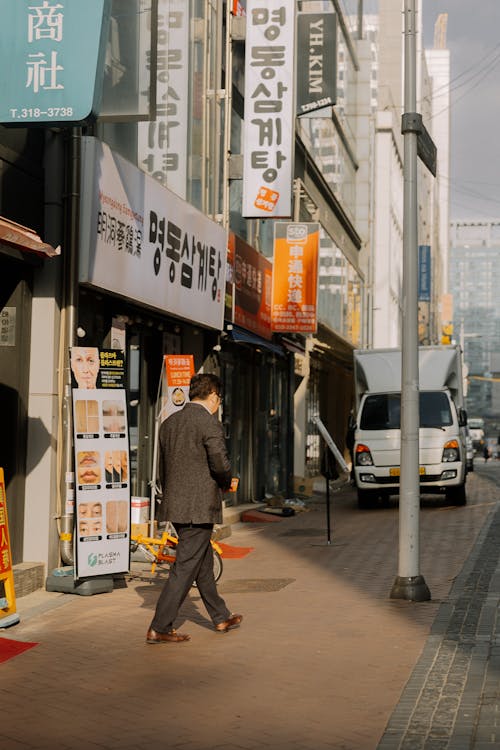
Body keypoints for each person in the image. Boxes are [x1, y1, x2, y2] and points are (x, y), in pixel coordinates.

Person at [146, 372, 242, 644]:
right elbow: (220, 464)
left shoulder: (169, 423)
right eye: (219, 398)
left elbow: (164, 469)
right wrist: (226, 482)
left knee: (202, 563)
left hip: (176, 504)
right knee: (185, 566)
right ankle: (160, 626)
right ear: (213, 395)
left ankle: (220, 616)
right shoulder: (209, 423)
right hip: (199, 506)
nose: (218, 403)